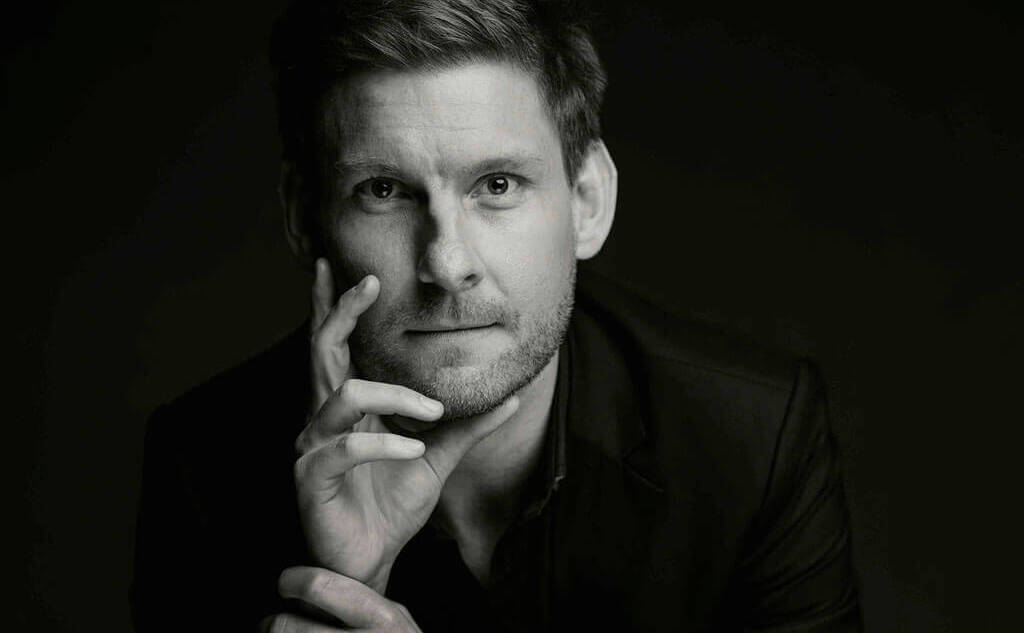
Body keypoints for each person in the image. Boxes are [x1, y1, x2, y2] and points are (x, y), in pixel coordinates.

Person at [130, 0, 862, 631]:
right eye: (384, 190)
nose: (447, 263)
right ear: (303, 218)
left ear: (587, 201)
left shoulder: (752, 439)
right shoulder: (202, 468)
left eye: (499, 184)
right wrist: (348, 587)